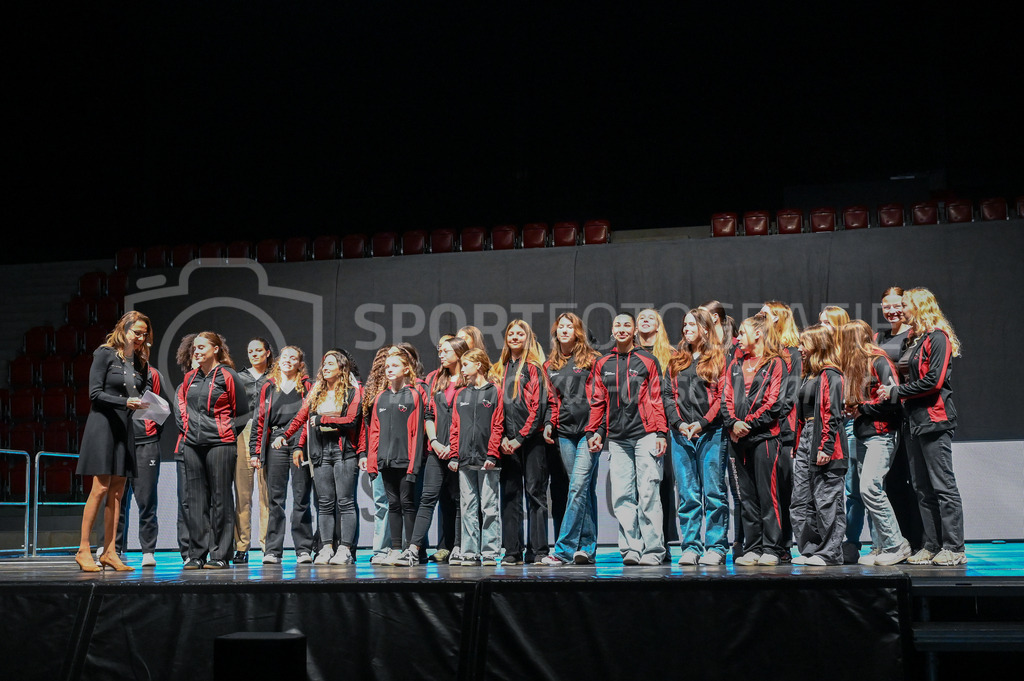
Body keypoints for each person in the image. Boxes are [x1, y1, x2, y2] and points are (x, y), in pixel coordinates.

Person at [877, 288, 965, 567]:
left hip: (934, 420)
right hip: (911, 422)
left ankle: (955, 547)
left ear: (918, 306)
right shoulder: (915, 340)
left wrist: (895, 392)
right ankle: (931, 545)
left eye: (904, 305)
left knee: (943, 487)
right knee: (921, 488)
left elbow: (933, 381)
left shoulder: (938, 338)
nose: (900, 310)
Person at [586, 312, 669, 566]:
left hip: (646, 435)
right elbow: (598, 401)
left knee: (648, 493)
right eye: (617, 325)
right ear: (613, 330)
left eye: (626, 325)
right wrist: (594, 431)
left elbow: (657, 398)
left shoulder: (648, 360)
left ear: (634, 331)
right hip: (618, 439)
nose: (622, 329)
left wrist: (661, 432)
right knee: (622, 496)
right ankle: (631, 549)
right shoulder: (603, 363)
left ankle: (654, 550)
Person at [74, 311, 153, 572]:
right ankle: (84, 549)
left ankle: (110, 551)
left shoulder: (139, 361)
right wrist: (124, 402)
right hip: (103, 425)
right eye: (137, 332)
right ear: (124, 328)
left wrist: (146, 369)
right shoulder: (105, 353)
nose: (141, 337)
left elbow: (140, 393)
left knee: (118, 492)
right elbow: (94, 393)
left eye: (144, 334)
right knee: (100, 487)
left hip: (124, 426)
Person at [279, 350, 362, 565]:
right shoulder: (317, 391)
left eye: (330, 364)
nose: (325, 367)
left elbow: (351, 419)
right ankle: (326, 548)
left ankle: (345, 549)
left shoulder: (353, 391)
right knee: (325, 503)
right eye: (324, 364)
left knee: (345, 502)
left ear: (341, 368)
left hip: (344, 451)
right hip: (320, 451)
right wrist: (285, 435)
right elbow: (302, 418)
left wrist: (324, 419)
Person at [839, 321, 911, 566]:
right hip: (864, 434)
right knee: (865, 491)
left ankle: (896, 544)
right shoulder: (855, 365)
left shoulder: (879, 361)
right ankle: (881, 546)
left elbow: (894, 399)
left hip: (882, 434)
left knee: (870, 488)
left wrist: (863, 408)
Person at [176, 332, 248, 569]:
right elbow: (183, 408)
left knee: (221, 499)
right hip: (192, 445)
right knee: (195, 500)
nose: (196, 351)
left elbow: (243, 413)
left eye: (202, 347)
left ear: (216, 349)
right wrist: (188, 431)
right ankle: (197, 554)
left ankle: (220, 555)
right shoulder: (189, 378)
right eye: (194, 348)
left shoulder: (228, 375)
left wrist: (224, 433)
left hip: (221, 444)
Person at [663, 308, 728, 566]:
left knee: (713, 492)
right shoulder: (677, 360)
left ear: (704, 328)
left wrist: (701, 424)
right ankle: (690, 547)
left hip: (711, 433)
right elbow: (667, 396)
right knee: (688, 494)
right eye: (685, 325)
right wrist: (679, 424)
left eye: (692, 324)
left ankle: (716, 547)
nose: (686, 328)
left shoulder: (719, 358)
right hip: (681, 435)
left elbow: (723, 397)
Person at [723, 313, 786, 566]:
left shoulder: (775, 363)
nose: (737, 338)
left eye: (743, 333)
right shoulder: (735, 364)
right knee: (745, 496)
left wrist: (747, 424)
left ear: (758, 334)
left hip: (764, 438)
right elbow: (725, 397)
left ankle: (772, 548)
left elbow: (774, 403)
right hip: (737, 438)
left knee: (767, 494)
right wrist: (732, 423)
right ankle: (753, 547)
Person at [540, 313, 602, 566]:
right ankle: (586, 549)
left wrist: (599, 429)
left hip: (590, 432)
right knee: (582, 489)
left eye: (569, 327)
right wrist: (548, 424)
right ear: (556, 333)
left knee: (577, 487)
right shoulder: (549, 365)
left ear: (577, 331)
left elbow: (601, 398)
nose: (565, 330)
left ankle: (563, 550)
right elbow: (553, 401)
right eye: (561, 327)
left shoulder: (593, 360)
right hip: (565, 434)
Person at [490, 319, 549, 565]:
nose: (514, 337)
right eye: (511, 334)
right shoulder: (499, 369)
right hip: (506, 442)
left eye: (520, 334)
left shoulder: (535, 368)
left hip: (531, 440)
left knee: (535, 494)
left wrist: (520, 437)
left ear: (528, 338)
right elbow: (495, 408)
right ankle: (512, 551)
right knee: (510, 495)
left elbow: (538, 406)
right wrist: (503, 437)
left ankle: (539, 550)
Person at [249, 346, 315, 564]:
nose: (288, 361)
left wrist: (299, 441)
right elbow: (259, 421)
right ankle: (273, 550)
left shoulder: (307, 386)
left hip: (300, 443)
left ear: (299, 363)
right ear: (279, 361)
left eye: (293, 358)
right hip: (275, 443)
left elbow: (309, 417)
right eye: (285, 357)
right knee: (275, 499)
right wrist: (255, 451)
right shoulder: (268, 386)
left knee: (301, 497)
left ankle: (303, 549)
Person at [791, 324, 849, 566]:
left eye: (804, 344)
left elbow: (832, 413)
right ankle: (811, 549)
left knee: (827, 498)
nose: (800, 348)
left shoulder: (831, 374)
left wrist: (825, 447)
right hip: (806, 436)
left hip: (825, 437)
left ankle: (830, 553)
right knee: (801, 499)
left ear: (818, 345)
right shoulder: (809, 375)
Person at [364, 346, 427, 567]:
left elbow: (418, 433)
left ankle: (411, 551)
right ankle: (395, 549)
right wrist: (373, 463)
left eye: (394, 366)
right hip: (385, 461)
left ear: (406, 369)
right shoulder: (380, 397)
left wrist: (413, 466)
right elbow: (374, 432)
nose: (389, 369)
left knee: (408, 503)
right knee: (392, 505)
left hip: (406, 461)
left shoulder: (414, 395)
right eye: (387, 366)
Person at [873, 286, 923, 550]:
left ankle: (919, 540)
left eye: (896, 306)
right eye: (886, 307)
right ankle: (896, 540)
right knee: (890, 481)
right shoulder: (878, 337)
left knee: (914, 480)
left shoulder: (915, 336)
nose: (892, 311)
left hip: (909, 415)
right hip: (886, 417)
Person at [448, 348, 505, 566]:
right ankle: (470, 552)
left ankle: (490, 552)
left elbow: (498, 425)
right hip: (464, 460)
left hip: (487, 459)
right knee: (468, 506)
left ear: (478, 365)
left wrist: (492, 453)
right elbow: (455, 427)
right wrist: (454, 455)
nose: (462, 369)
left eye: (465, 364)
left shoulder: (494, 392)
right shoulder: (461, 394)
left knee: (489, 507)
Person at [417, 336, 469, 563]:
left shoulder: (469, 381)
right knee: (428, 498)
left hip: (460, 451)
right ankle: (413, 547)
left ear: (458, 352)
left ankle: (458, 546)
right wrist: (435, 442)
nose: (440, 354)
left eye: (445, 351)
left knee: (459, 500)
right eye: (440, 351)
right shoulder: (437, 380)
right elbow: (428, 415)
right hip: (437, 450)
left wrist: (454, 447)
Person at [114, 362, 170, 567]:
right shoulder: (114, 372)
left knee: (147, 500)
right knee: (117, 500)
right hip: (120, 442)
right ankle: (114, 548)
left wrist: (150, 432)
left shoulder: (153, 373)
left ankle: (148, 550)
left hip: (146, 443)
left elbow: (162, 407)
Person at [819, 305, 863, 562]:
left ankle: (852, 542)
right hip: (827, 426)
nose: (823, 326)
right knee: (827, 489)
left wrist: (853, 401)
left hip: (849, 424)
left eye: (827, 322)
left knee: (853, 489)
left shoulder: (851, 353)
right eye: (820, 322)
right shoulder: (820, 353)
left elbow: (860, 383)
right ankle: (828, 541)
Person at [762, 301, 802, 561]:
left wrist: (772, 415)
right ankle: (769, 544)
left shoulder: (793, 353)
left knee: (784, 491)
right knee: (768, 491)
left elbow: (791, 392)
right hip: (763, 428)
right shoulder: (764, 352)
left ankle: (784, 545)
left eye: (764, 315)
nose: (759, 319)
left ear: (778, 319)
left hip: (783, 430)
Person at [635, 307, 678, 551]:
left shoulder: (671, 355)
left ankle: (664, 540)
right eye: (641, 318)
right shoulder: (629, 354)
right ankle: (640, 542)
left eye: (650, 318)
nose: (645, 321)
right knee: (639, 487)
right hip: (638, 426)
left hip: (664, 426)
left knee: (662, 483)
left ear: (659, 326)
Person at [233, 338, 274, 564]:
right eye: (250, 351)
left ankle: (268, 547)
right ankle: (242, 547)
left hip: (267, 435)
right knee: (243, 495)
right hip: (243, 434)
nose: (254, 354)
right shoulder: (239, 378)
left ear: (268, 353)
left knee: (267, 495)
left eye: (259, 350)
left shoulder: (275, 377)